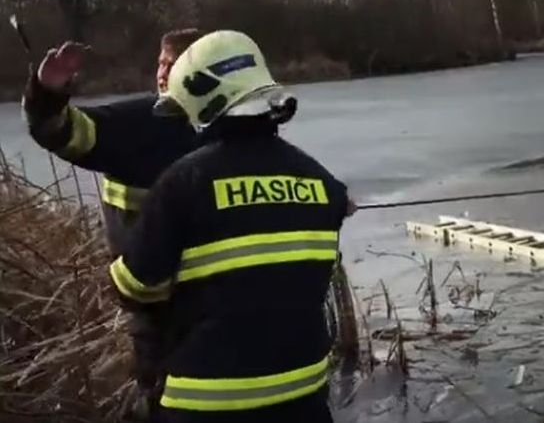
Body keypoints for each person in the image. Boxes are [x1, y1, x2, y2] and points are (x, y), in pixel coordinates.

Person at [108, 29, 355, 423]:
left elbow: (134, 287)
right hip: (304, 397)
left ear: (204, 104)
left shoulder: (180, 183)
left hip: (203, 403)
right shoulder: (323, 183)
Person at [20, 28, 203, 420]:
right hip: (151, 309)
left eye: (173, 64)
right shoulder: (140, 123)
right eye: (160, 62)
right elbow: (63, 131)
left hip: (210, 303)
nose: (162, 73)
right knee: (161, 396)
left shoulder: (224, 127)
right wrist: (47, 94)